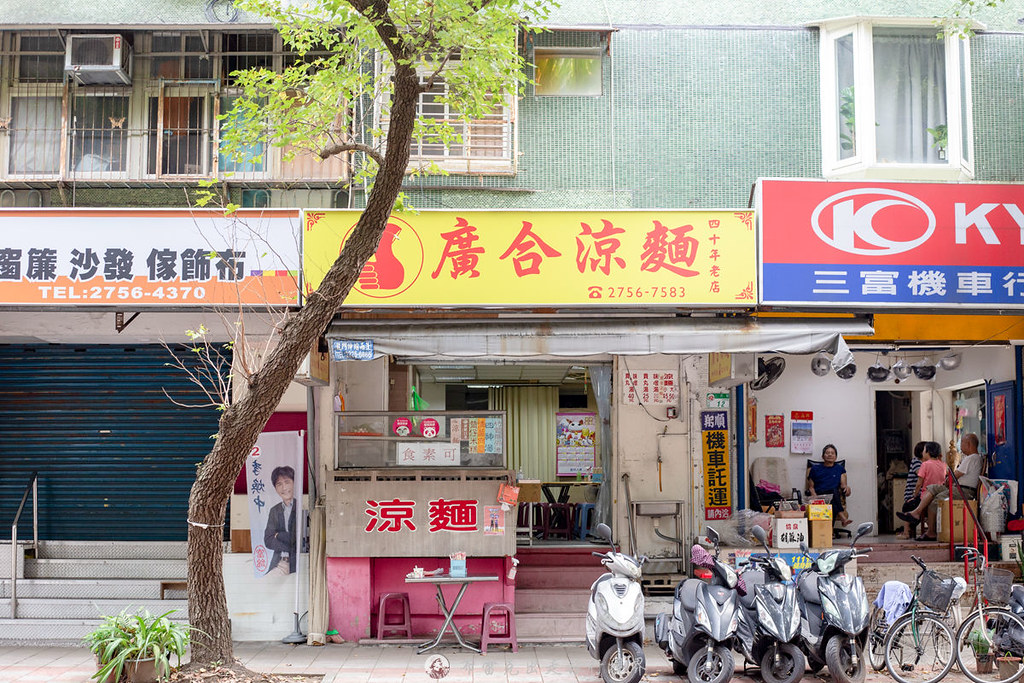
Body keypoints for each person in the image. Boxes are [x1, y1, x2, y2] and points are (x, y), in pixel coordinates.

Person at [898, 434, 985, 540]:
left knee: (935, 501)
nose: (960, 446)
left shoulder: (971, 458)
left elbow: (955, 475)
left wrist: (949, 481)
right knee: (932, 487)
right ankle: (916, 512)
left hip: (963, 491)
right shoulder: (970, 458)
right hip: (957, 488)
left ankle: (931, 532)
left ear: (968, 444)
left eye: (961, 443)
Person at [806, 444, 852, 526]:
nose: (830, 454)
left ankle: (830, 530)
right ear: (823, 456)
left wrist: (847, 488)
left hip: (833, 495)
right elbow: (811, 487)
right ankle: (842, 519)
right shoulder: (815, 469)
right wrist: (814, 495)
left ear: (836, 457)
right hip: (819, 495)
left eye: (832, 453)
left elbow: (843, 485)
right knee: (833, 495)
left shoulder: (840, 469)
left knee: (832, 499)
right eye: (827, 453)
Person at [264, 465, 298, 576]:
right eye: (279, 484)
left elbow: (296, 537)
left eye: (287, 482)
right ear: (275, 488)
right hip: (280, 562)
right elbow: (268, 539)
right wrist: (288, 547)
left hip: (298, 563)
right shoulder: (274, 510)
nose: (284, 488)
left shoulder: (300, 507)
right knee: (266, 584)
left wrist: (278, 535)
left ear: (294, 483)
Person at [899, 441, 925, 540]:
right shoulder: (916, 461)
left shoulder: (924, 463)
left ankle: (910, 530)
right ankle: (906, 531)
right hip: (911, 493)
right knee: (909, 508)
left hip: (919, 493)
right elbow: (920, 473)